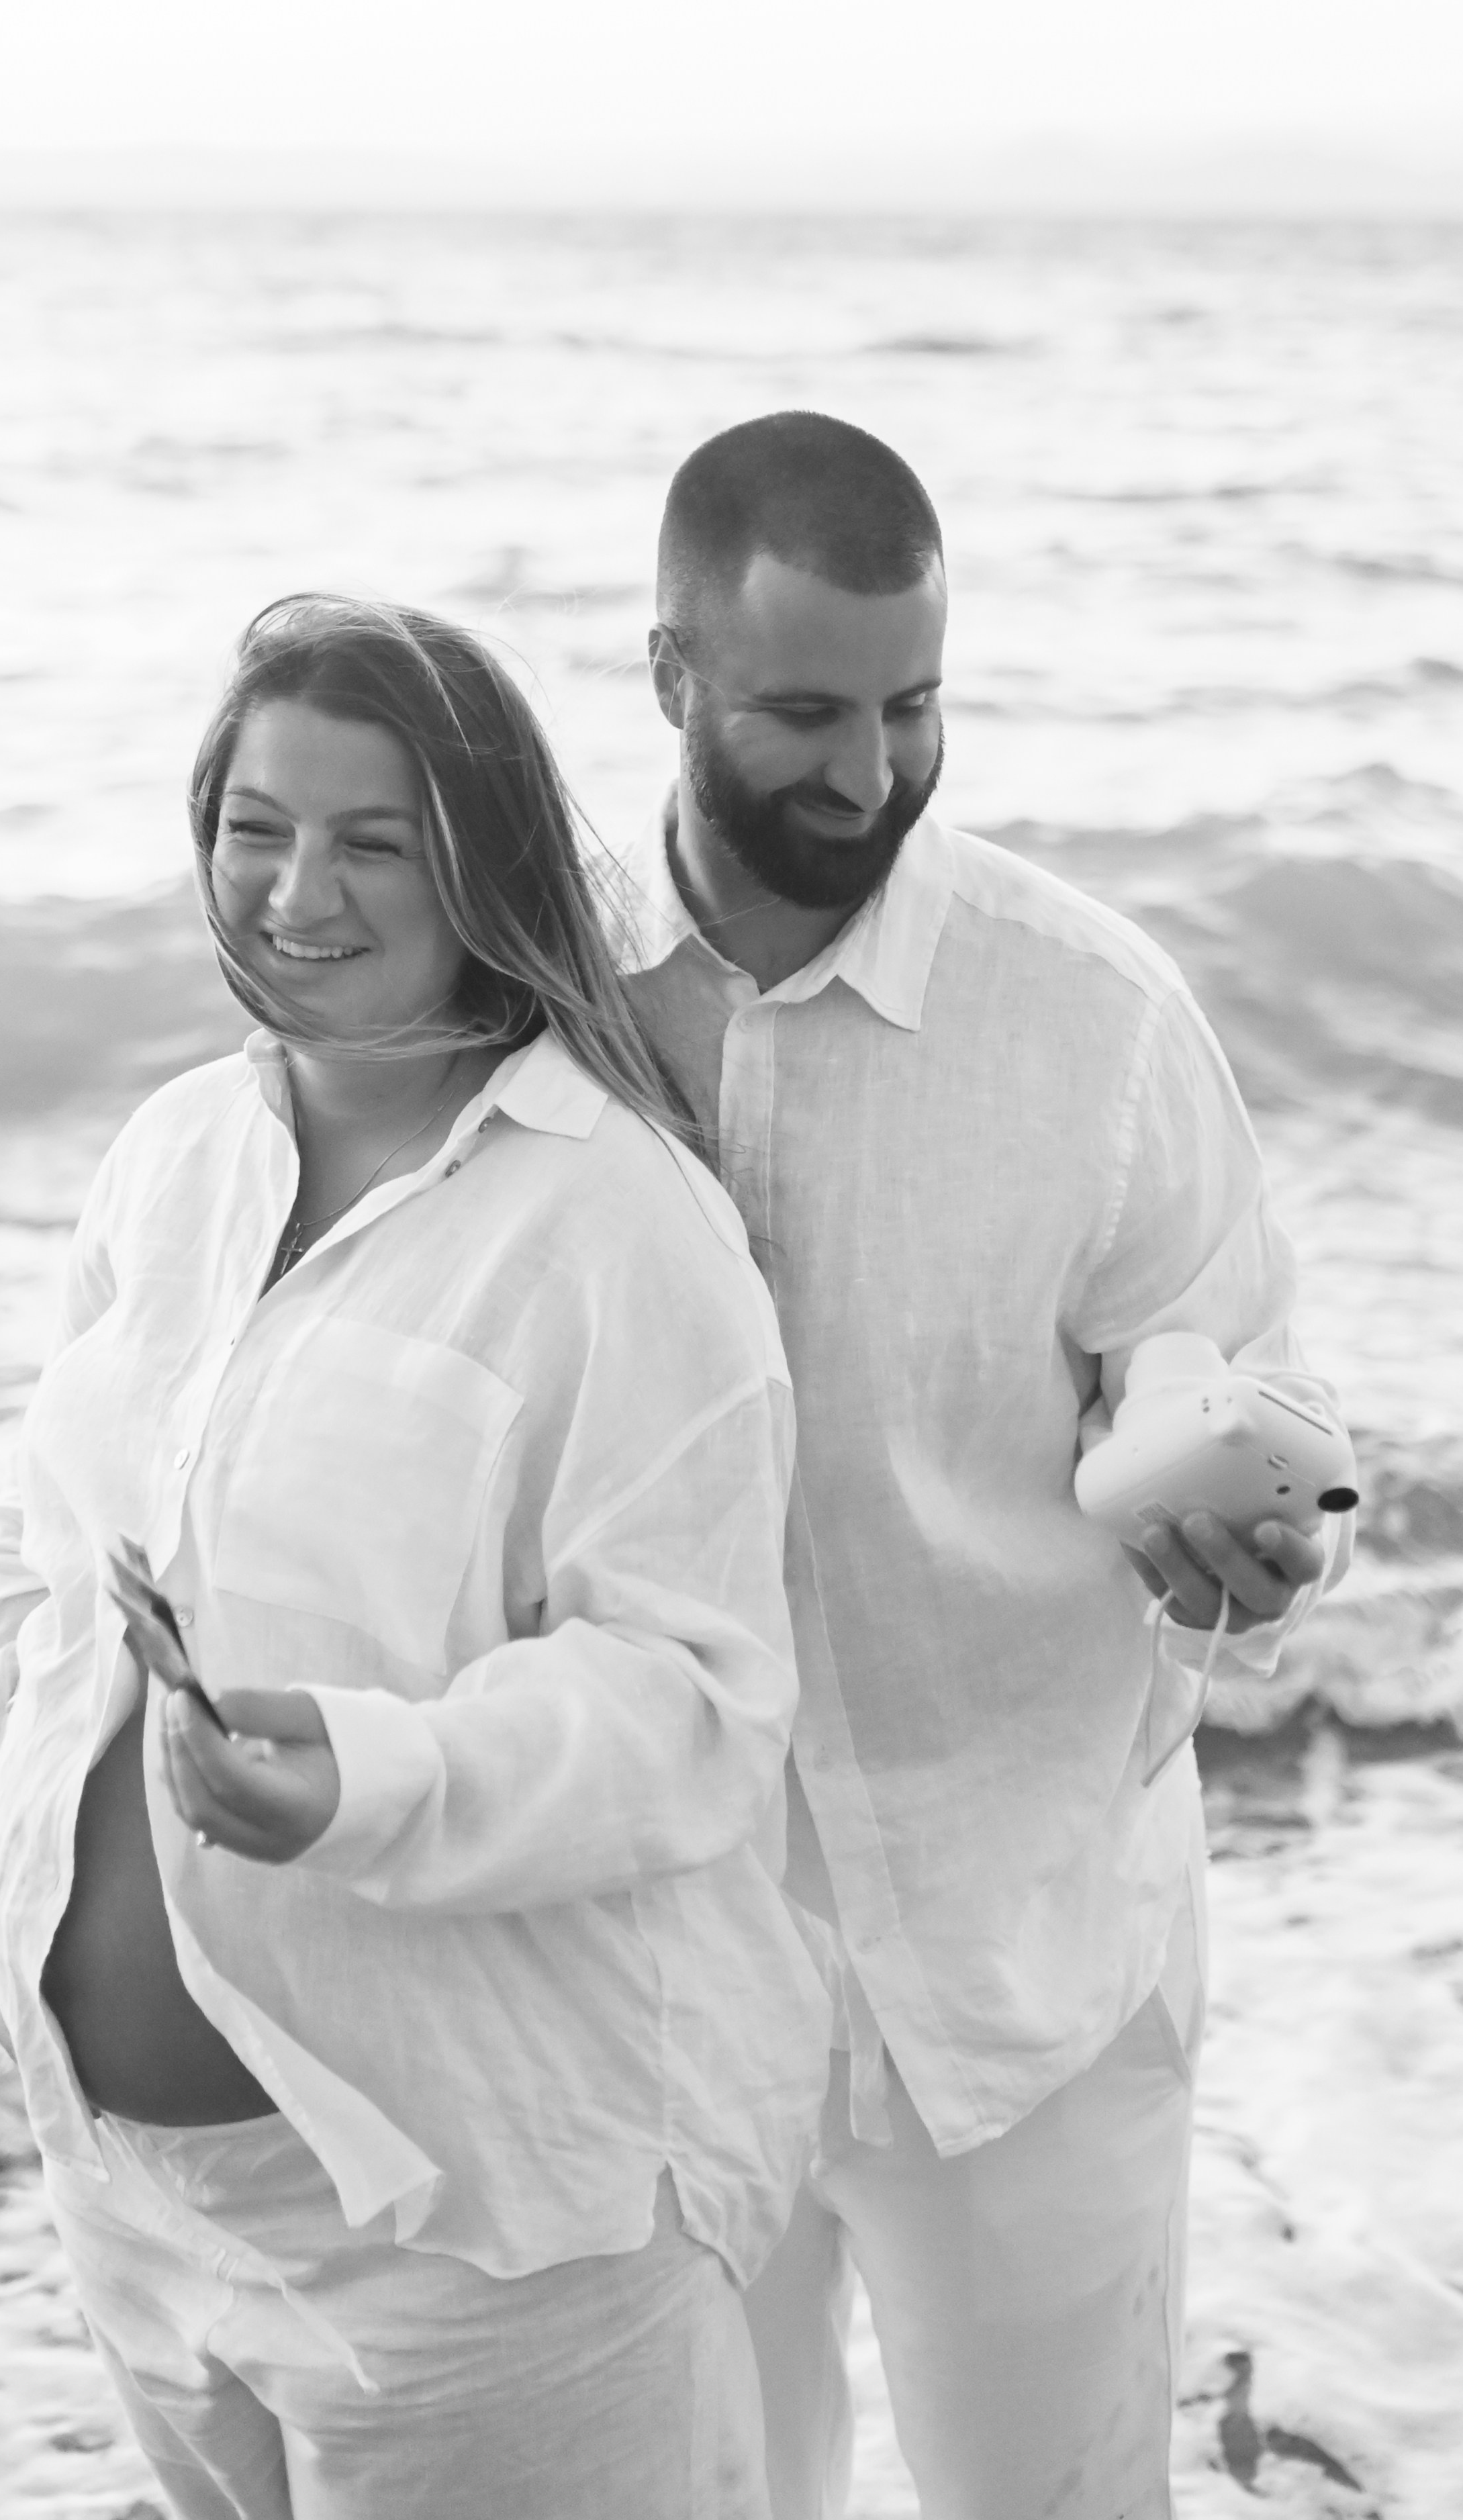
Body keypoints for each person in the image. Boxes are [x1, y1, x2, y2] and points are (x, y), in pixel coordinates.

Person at [0, 593, 833, 2520]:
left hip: (479, 2226)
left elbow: (692, 1702)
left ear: (478, 859)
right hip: (147, 2207)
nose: (293, 889)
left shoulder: (613, 1223)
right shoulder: (176, 1157)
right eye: (257, 826)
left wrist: (369, 1774)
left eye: (369, 839)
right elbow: (35, 1569)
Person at [616, 412, 1351, 2520]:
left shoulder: (1095, 1018)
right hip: (666, 1980)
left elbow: (1243, 1370)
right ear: (668, 674)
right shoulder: (537, 994)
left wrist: (1247, 1523)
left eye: (917, 704)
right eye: (804, 712)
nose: (868, 773)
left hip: (1027, 1958)